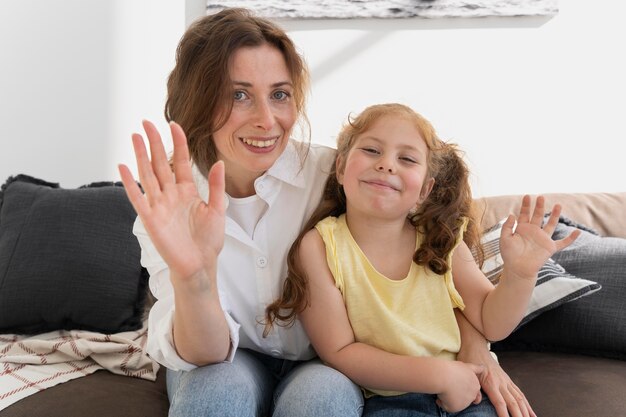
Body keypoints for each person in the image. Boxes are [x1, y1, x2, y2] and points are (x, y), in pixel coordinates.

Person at [117, 7, 539, 417]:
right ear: (198, 100)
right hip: (223, 360)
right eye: (239, 95)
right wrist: (196, 277)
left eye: (279, 94)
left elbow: (425, 274)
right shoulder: (172, 208)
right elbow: (205, 353)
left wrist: (477, 353)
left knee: (322, 398)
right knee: (216, 390)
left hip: (324, 361)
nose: (267, 120)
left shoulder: (342, 173)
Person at [265, 103, 580, 416]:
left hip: (470, 393)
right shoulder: (320, 246)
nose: (387, 165)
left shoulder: (441, 240)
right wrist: (440, 376)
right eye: (372, 150)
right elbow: (339, 351)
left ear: (424, 190)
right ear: (341, 168)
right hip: (391, 401)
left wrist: (520, 275)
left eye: (406, 158)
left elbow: (490, 322)